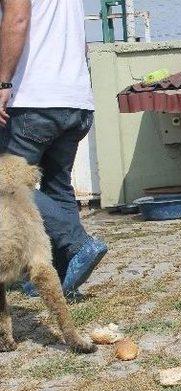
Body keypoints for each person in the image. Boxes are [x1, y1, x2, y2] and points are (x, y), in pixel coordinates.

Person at [0, 0, 107, 297]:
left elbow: (17, 21)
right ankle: (62, 274)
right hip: (76, 101)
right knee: (58, 186)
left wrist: (2, 83)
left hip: (34, 100)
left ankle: (78, 243)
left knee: (9, 182)